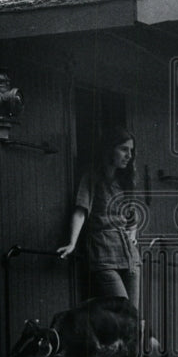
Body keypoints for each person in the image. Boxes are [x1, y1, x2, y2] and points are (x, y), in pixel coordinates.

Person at [57, 127, 141, 305]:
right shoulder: (92, 178)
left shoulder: (125, 183)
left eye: (131, 151)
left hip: (130, 256)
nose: (129, 155)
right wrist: (72, 243)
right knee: (121, 310)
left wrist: (132, 236)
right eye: (124, 149)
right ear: (110, 149)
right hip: (103, 254)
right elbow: (81, 211)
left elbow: (133, 219)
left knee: (132, 317)